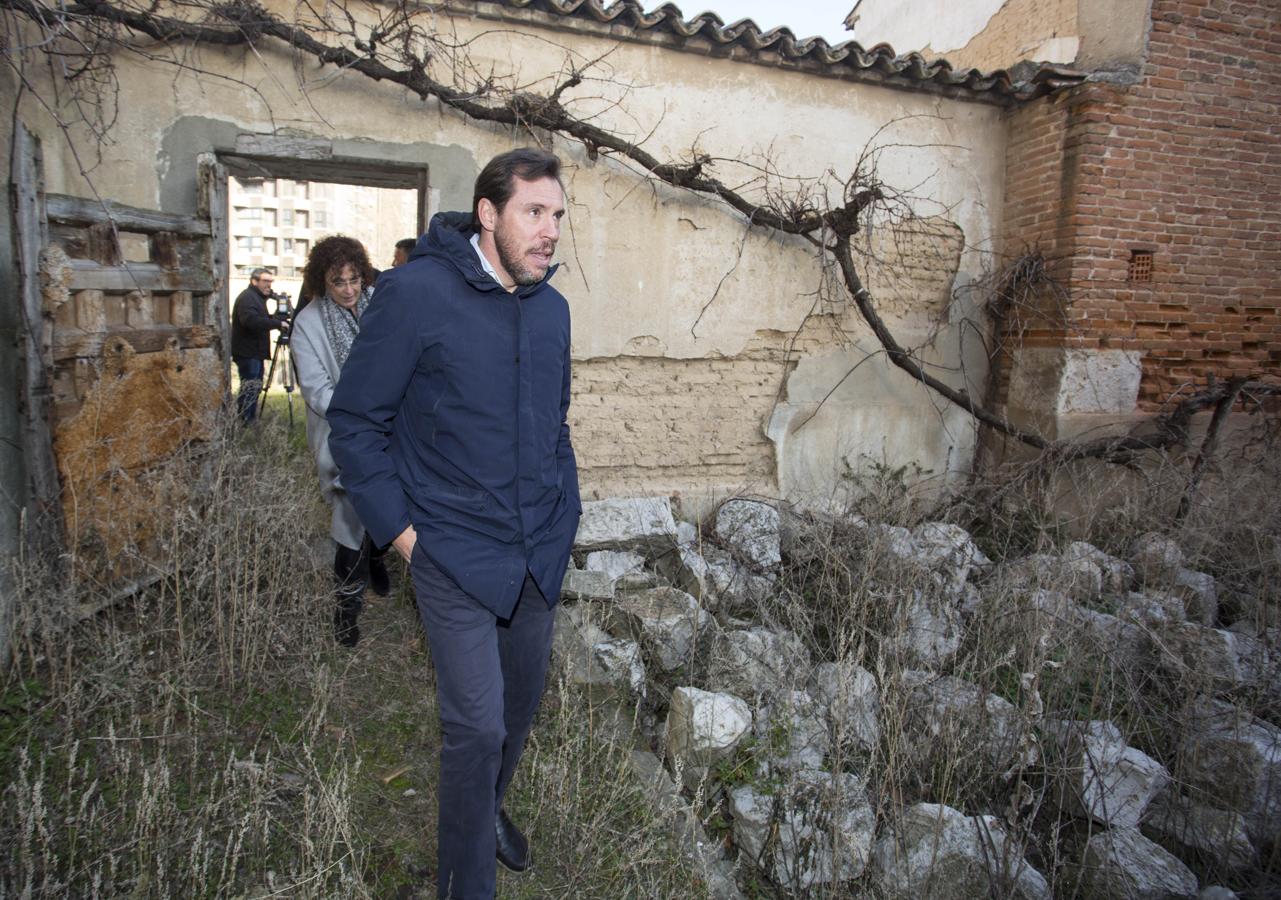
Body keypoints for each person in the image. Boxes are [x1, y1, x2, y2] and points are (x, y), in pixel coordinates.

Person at [328, 148, 580, 899]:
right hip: (450, 553)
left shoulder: (553, 310)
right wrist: (405, 538)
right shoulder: (414, 295)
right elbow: (354, 423)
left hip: (537, 552)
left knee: (516, 713)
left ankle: (486, 811)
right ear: (488, 214)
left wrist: (564, 510)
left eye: (557, 216)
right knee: (475, 730)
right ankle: (462, 885)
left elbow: (554, 425)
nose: (549, 232)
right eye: (534, 213)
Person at [289, 237, 390, 647]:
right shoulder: (308, 324)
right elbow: (317, 390)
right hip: (344, 435)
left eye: (354, 279)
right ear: (322, 282)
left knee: (388, 508)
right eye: (338, 282)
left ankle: (378, 562)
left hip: (390, 429)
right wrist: (364, 412)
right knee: (351, 520)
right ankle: (346, 609)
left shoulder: (380, 306)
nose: (349, 290)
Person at [230, 268, 289, 424]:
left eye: (270, 282)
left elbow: (262, 319)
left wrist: (278, 316)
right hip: (247, 352)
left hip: (255, 352)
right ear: (254, 281)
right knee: (250, 387)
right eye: (265, 281)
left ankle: (249, 419)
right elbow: (251, 321)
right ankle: (244, 421)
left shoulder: (257, 298)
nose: (269, 285)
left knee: (255, 386)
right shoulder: (247, 298)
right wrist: (277, 323)